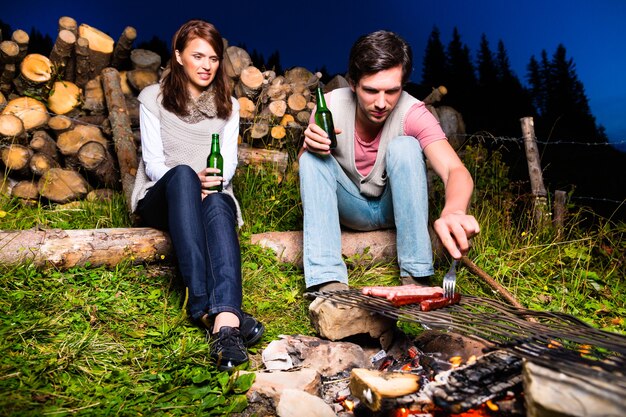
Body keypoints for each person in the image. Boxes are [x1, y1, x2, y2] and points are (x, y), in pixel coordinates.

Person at [299, 30, 480, 292]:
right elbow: (310, 174)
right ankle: (328, 283)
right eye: (371, 90)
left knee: (406, 146)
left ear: (403, 85)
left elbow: (455, 170)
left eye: (392, 91)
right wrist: (309, 148)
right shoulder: (329, 107)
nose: (381, 103)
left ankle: (416, 277)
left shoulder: (414, 113)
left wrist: (454, 210)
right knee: (311, 159)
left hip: (394, 208)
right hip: (347, 208)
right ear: (353, 83)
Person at [130, 19, 263, 371]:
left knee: (221, 202)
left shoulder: (229, 107)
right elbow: (154, 162)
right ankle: (204, 302)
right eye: (198, 56)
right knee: (184, 174)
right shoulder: (152, 100)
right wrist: (191, 180)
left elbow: (229, 164)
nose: (206, 65)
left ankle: (225, 325)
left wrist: (212, 184)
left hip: (209, 195)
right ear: (178, 56)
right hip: (163, 195)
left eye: (214, 58)